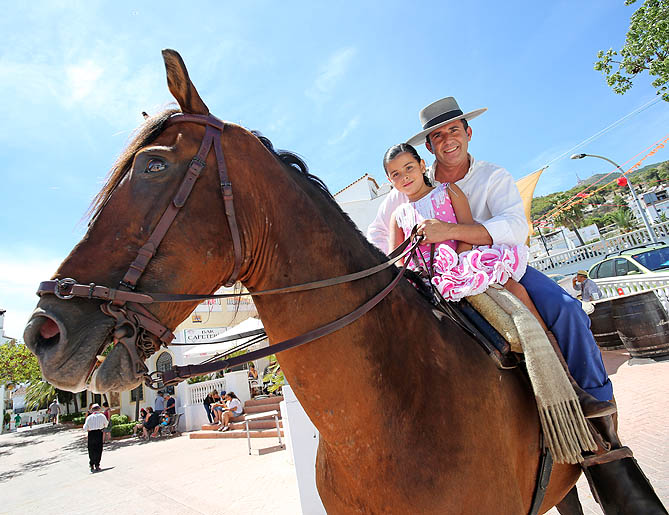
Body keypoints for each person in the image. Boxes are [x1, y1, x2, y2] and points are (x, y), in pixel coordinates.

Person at [368, 96, 614, 419]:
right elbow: (379, 236)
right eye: (438, 136)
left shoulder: (492, 177)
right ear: (429, 147)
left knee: (567, 311)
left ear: (468, 133)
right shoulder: (405, 189)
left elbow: (513, 226)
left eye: (453, 130)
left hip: (491, 264)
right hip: (431, 279)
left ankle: (595, 404)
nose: (448, 141)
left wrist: (450, 234)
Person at [384, 143, 545, 328]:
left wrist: (456, 267)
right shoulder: (397, 216)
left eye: (409, 168)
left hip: (461, 266)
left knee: (514, 291)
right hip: (424, 282)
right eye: (395, 174)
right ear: (390, 181)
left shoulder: (448, 191)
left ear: (421, 165)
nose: (404, 176)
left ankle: (546, 343)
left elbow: (467, 228)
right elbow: (397, 259)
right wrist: (417, 281)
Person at [83, 403, 108, 472]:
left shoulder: (89, 417)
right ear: (99, 409)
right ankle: (97, 464)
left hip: (91, 434)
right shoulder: (102, 416)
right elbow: (106, 424)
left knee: (91, 449)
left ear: (92, 410)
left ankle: (91, 463)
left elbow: (85, 428)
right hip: (99, 433)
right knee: (98, 449)